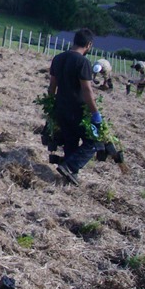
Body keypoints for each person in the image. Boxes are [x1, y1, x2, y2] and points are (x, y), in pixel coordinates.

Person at [47, 28, 102, 186]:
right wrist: (95, 113)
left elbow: (52, 86)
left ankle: (70, 177)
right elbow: (86, 89)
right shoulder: (83, 62)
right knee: (94, 141)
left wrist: (51, 107)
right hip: (77, 110)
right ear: (89, 45)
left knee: (71, 142)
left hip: (61, 108)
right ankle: (70, 166)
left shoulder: (58, 58)